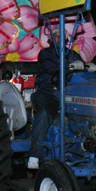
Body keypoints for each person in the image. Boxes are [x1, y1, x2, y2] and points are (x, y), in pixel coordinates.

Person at [28, 28, 83, 168]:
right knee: (46, 112)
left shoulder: (72, 54)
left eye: (61, 36)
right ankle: (35, 155)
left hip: (68, 93)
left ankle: (84, 145)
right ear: (51, 39)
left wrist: (88, 67)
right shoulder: (45, 54)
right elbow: (52, 68)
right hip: (47, 92)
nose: (59, 39)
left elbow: (82, 69)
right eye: (56, 36)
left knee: (86, 111)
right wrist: (71, 67)